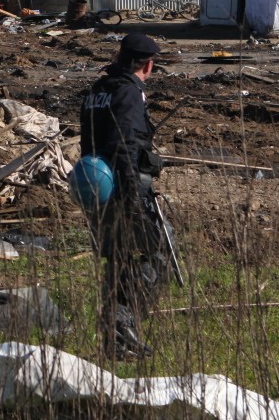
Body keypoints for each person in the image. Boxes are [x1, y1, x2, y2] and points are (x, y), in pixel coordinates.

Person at [80, 32, 171, 360]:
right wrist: (133, 200)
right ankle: (124, 324)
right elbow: (126, 147)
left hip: (95, 192)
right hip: (123, 192)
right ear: (147, 65)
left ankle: (113, 338)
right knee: (159, 251)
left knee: (117, 259)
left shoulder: (97, 91)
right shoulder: (129, 94)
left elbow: (92, 144)